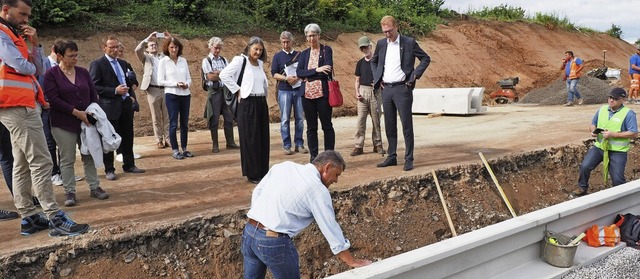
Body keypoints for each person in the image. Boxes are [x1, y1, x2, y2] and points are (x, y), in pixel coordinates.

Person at [0, 0, 89, 236]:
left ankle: (29, 218)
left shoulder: (13, 36)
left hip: (21, 104)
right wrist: (29, 63)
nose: (26, 20)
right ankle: (54, 217)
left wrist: (36, 45)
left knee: (21, 164)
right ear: (6, 10)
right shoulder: (1, 34)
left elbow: (37, 68)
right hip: (16, 105)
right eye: (22, 14)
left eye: (28, 15)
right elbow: (20, 65)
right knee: (42, 161)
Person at [242, 150, 371, 278]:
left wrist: (261, 217)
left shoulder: (284, 166)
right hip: (273, 241)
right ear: (327, 167)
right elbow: (330, 228)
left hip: (249, 232)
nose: (336, 180)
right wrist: (351, 261)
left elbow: (257, 191)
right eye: (336, 174)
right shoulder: (317, 190)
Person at [44, 39, 109, 207]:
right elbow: (54, 100)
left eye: (76, 55)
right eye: (71, 56)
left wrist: (90, 112)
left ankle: (94, 187)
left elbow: (93, 93)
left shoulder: (82, 72)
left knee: (89, 154)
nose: (75, 58)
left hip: (86, 121)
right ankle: (70, 191)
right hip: (63, 123)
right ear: (59, 56)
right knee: (67, 158)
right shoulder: (51, 74)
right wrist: (77, 113)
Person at [372, 15, 431, 171]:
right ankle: (391, 156)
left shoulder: (408, 42)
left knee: (406, 125)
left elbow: (425, 58)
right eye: (384, 31)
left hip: (402, 89)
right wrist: (378, 77)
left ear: (396, 27)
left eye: (389, 30)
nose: (387, 34)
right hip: (386, 90)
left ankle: (409, 158)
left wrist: (415, 75)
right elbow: (374, 61)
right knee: (389, 125)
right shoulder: (381, 44)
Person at [90, 35, 145, 180]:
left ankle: (129, 164)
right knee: (108, 137)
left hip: (125, 105)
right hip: (109, 106)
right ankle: (109, 169)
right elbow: (94, 86)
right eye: (111, 47)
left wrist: (132, 96)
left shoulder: (123, 63)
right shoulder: (97, 64)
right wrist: (114, 90)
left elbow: (128, 82)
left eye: (116, 47)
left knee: (128, 135)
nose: (115, 50)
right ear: (104, 48)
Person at [220, 36, 269, 184]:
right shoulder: (240, 61)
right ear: (249, 48)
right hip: (248, 103)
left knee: (262, 138)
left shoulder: (259, 64)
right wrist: (237, 90)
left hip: (261, 102)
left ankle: (263, 171)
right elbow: (224, 75)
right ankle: (253, 174)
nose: (258, 52)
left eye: (260, 50)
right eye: (256, 49)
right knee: (250, 138)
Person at [573, 88, 638, 196]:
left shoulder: (628, 114)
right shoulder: (602, 109)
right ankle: (582, 188)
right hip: (600, 147)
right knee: (585, 166)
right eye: (610, 97)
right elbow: (593, 124)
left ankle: (623, 197)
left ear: (622, 100)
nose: (611, 100)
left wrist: (614, 134)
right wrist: (593, 130)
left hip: (617, 151)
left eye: (615, 99)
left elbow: (634, 133)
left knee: (617, 179)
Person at [296, 23, 335, 163]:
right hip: (307, 96)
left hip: (322, 94)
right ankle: (314, 157)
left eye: (314, 35)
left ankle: (329, 155)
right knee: (311, 127)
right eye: (309, 35)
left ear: (319, 35)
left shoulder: (326, 50)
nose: (311, 38)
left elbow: (327, 71)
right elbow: (299, 72)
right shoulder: (304, 54)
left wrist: (309, 76)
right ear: (306, 37)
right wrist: (317, 70)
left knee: (327, 125)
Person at [271, 31, 307, 155]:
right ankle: (286, 145)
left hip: (298, 89)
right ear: (281, 42)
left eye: (287, 42)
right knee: (285, 119)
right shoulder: (277, 56)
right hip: (284, 90)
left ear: (292, 41)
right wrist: (286, 78)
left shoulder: (300, 54)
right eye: (283, 42)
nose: (285, 44)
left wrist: (297, 77)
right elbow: (274, 73)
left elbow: (304, 70)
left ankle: (299, 144)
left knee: (300, 118)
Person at [157, 37, 193, 160]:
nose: (174, 49)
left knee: (184, 123)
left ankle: (185, 148)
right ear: (167, 48)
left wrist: (187, 84)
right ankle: (175, 149)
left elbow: (189, 78)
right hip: (172, 94)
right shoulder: (163, 61)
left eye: (176, 47)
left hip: (185, 94)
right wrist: (175, 84)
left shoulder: (183, 61)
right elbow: (160, 81)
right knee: (173, 123)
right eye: (171, 47)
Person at [201, 36, 239, 153]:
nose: (217, 50)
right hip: (214, 92)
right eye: (216, 48)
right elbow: (210, 77)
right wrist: (222, 74)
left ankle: (230, 142)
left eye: (219, 48)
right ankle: (215, 144)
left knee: (229, 117)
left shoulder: (224, 60)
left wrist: (218, 73)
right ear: (210, 47)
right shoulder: (206, 60)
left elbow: (230, 74)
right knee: (214, 118)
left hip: (225, 91)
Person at [135, 32, 170, 149]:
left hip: (165, 88)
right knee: (156, 117)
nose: (154, 46)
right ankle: (159, 139)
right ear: (147, 48)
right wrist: (147, 39)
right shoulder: (145, 57)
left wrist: (169, 39)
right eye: (151, 45)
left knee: (167, 115)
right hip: (152, 90)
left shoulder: (163, 57)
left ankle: (168, 138)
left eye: (155, 45)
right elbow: (137, 50)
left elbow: (174, 49)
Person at [351, 35, 384, 156]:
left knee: (376, 119)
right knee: (361, 120)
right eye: (362, 48)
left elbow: (383, 76)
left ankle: (378, 144)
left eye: (366, 47)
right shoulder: (360, 63)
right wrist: (357, 92)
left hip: (375, 91)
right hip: (363, 91)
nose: (364, 50)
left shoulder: (377, 61)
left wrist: (378, 82)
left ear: (370, 46)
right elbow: (357, 79)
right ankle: (358, 145)